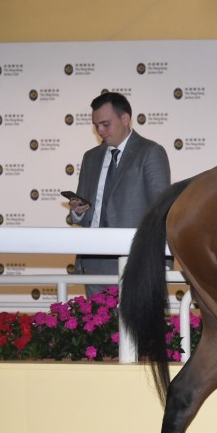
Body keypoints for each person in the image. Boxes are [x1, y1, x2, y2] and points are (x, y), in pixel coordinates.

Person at [67, 92, 170, 297]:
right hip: (93, 261)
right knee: (98, 329)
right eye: (96, 125)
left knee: (134, 329)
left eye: (105, 124)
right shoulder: (90, 157)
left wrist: (160, 261)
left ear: (125, 118)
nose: (100, 131)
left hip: (135, 263)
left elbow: (161, 210)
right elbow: (85, 210)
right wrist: (78, 211)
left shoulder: (151, 152)